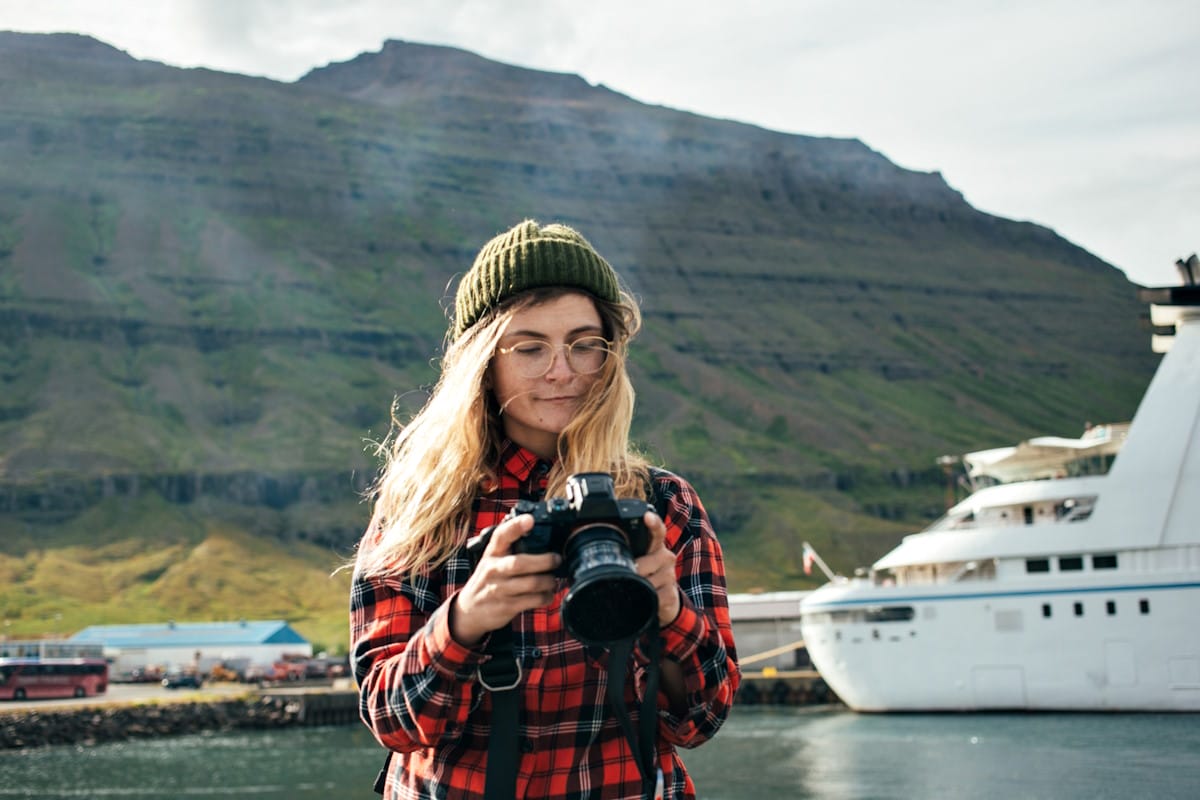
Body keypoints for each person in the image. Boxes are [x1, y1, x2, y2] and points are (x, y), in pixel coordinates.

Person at [350, 220, 739, 799]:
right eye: (530, 348)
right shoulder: (422, 507)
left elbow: (699, 719)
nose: (562, 370)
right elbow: (392, 721)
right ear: (482, 361)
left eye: (585, 345)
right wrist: (466, 620)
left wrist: (668, 612)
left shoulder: (662, 506)